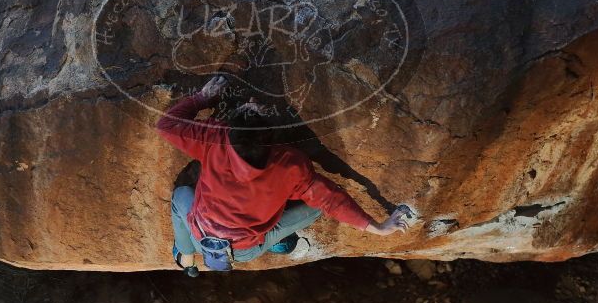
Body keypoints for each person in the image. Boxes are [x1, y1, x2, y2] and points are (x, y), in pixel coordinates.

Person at [156, 76, 409, 274]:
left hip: (201, 235)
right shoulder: (289, 165)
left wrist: (202, 98)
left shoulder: (214, 139)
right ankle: (279, 242)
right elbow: (330, 200)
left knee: (181, 196)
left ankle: (186, 257)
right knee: (317, 208)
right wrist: (377, 228)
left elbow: (166, 125)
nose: (252, 102)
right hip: (245, 249)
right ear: (271, 137)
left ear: (229, 129)